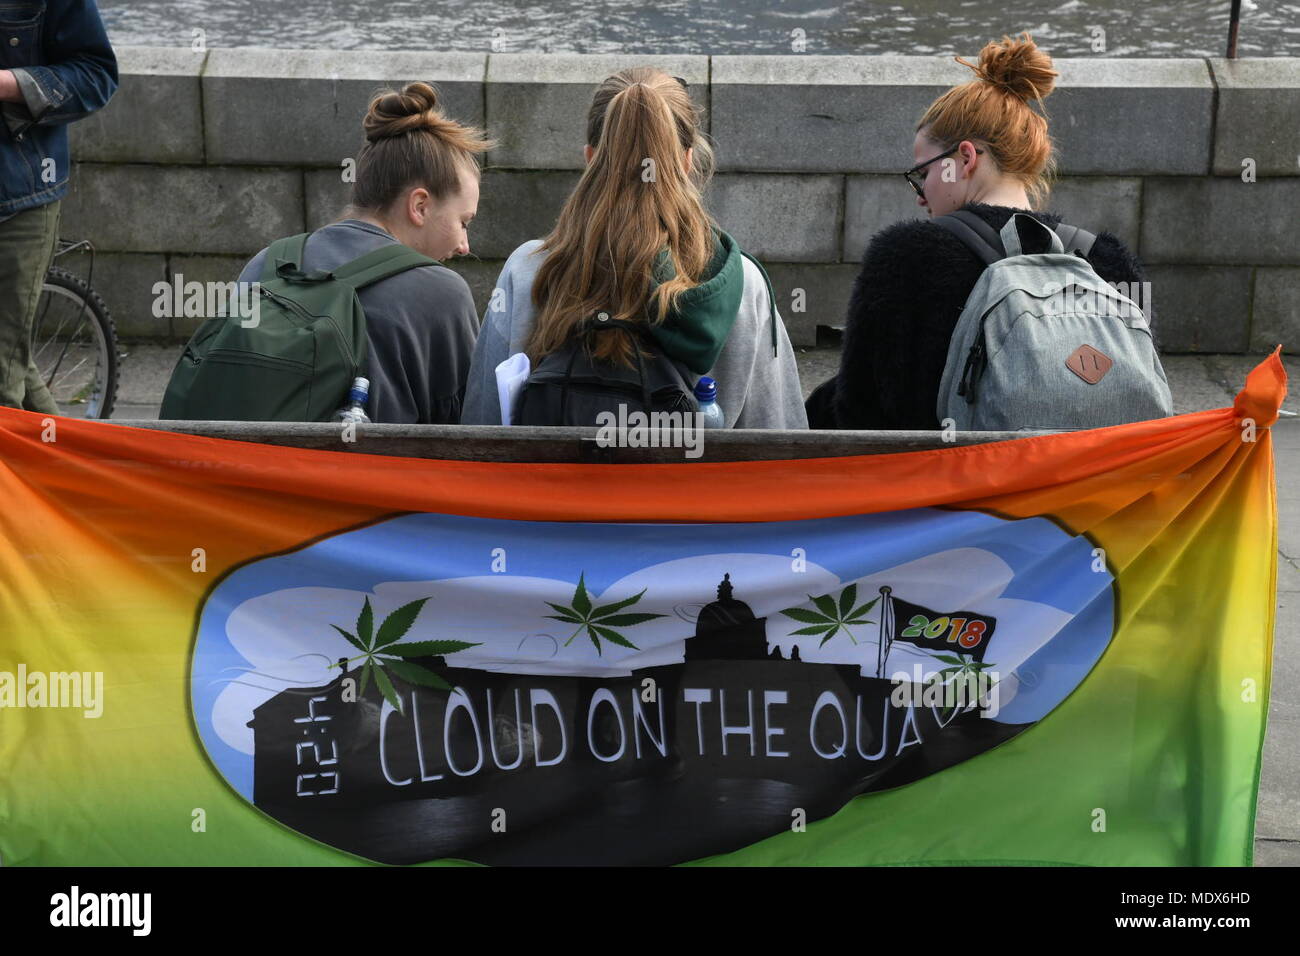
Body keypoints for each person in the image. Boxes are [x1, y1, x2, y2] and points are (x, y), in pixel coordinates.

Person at [806, 33, 1153, 430]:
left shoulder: (908, 255)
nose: (921, 196)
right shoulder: (1108, 261)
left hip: (953, 488)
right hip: (1094, 485)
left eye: (922, 174)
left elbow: (862, 412)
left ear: (965, 157)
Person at [460, 67, 806, 429]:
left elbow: (481, 423)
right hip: (688, 486)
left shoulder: (528, 269)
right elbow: (779, 434)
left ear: (591, 158)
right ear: (687, 162)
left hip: (554, 485)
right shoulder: (741, 284)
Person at [237, 82, 490, 424]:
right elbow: (468, 429)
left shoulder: (266, 263)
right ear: (420, 206)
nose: (465, 246)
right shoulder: (443, 293)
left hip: (250, 473)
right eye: (463, 222)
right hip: (370, 478)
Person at [0, 0, 117, 413]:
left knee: (3, 379)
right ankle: (70, 472)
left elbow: (96, 74)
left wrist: (7, 83)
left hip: (15, 201)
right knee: (13, 363)